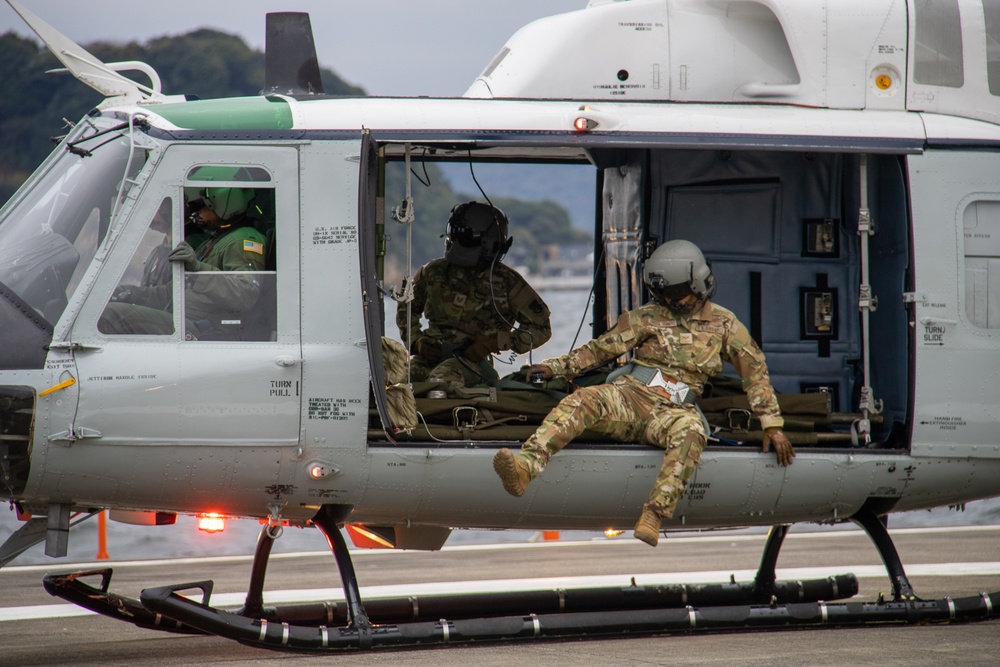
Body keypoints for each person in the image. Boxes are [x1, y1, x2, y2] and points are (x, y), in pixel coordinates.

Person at [492, 239, 795, 547]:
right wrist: (556, 367)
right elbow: (600, 350)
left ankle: (654, 513)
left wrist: (772, 424)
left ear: (699, 283)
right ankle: (524, 469)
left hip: (674, 411)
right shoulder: (647, 317)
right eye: (664, 293)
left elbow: (754, 371)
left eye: (678, 293)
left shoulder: (725, 324)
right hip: (630, 398)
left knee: (691, 431)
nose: (671, 300)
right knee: (584, 400)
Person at [397, 201, 552, 386]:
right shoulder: (434, 271)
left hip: (472, 364)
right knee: (394, 380)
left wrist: (496, 342)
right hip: (429, 357)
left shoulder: (507, 282)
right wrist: (417, 342)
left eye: (464, 236)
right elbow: (406, 307)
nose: (455, 240)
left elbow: (541, 328)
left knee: (441, 381)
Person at [99, 186, 266, 339]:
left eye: (203, 206)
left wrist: (198, 269)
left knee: (110, 316)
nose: (196, 213)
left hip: (205, 330)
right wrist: (131, 293)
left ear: (224, 206)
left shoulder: (243, 240)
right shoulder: (214, 241)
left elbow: (246, 294)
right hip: (187, 320)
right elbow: (172, 293)